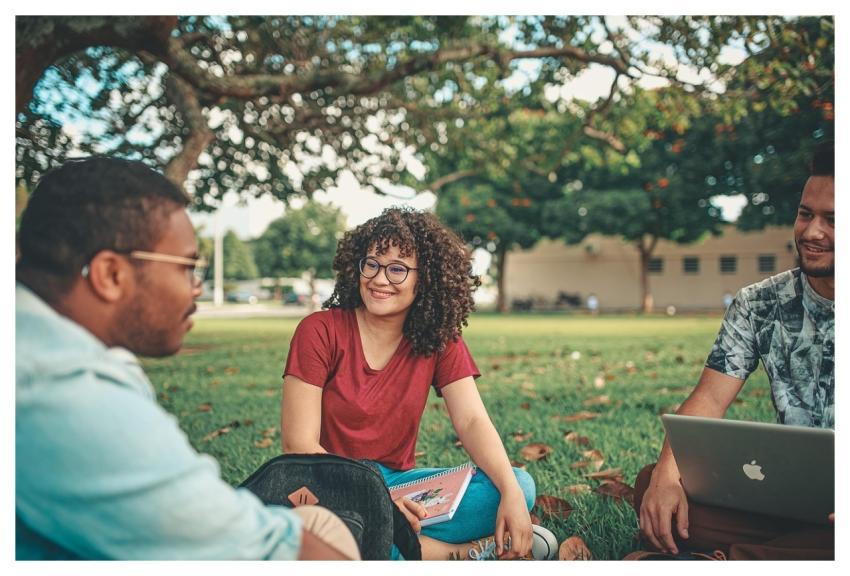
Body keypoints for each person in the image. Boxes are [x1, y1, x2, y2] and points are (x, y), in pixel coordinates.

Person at [16, 157, 359, 560]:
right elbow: (268, 551)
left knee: (317, 522)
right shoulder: (65, 393)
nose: (196, 288)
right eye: (187, 267)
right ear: (111, 275)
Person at [281, 207, 553, 560]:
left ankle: (388, 544)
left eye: (397, 269)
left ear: (425, 278)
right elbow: (298, 445)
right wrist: (378, 504)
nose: (379, 279)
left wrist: (511, 494)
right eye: (372, 264)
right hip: (329, 485)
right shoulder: (319, 331)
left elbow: (472, 420)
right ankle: (460, 554)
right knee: (327, 531)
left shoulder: (439, 338)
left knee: (518, 483)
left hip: (399, 486)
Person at [633, 141, 835, 560]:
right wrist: (668, 474)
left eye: (833, 220)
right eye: (805, 214)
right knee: (654, 488)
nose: (812, 232)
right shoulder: (760, 303)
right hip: (794, 498)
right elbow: (708, 399)